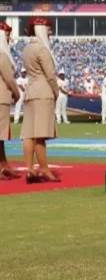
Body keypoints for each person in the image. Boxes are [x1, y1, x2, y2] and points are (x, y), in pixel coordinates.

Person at [20, 17, 61, 183]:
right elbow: (50, 75)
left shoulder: (26, 49)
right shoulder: (42, 50)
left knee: (29, 134)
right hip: (43, 92)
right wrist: (56, 92)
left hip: (30, 92)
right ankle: (44, 169)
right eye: (49, 29)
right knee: (41, 135)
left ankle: (30, 169)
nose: (51, 33)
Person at [0, 22, 19, 179]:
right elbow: (9, 78)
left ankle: (3, 164)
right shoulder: (2, 54)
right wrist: (17, 93)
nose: (9, 38)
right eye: (6, 35)